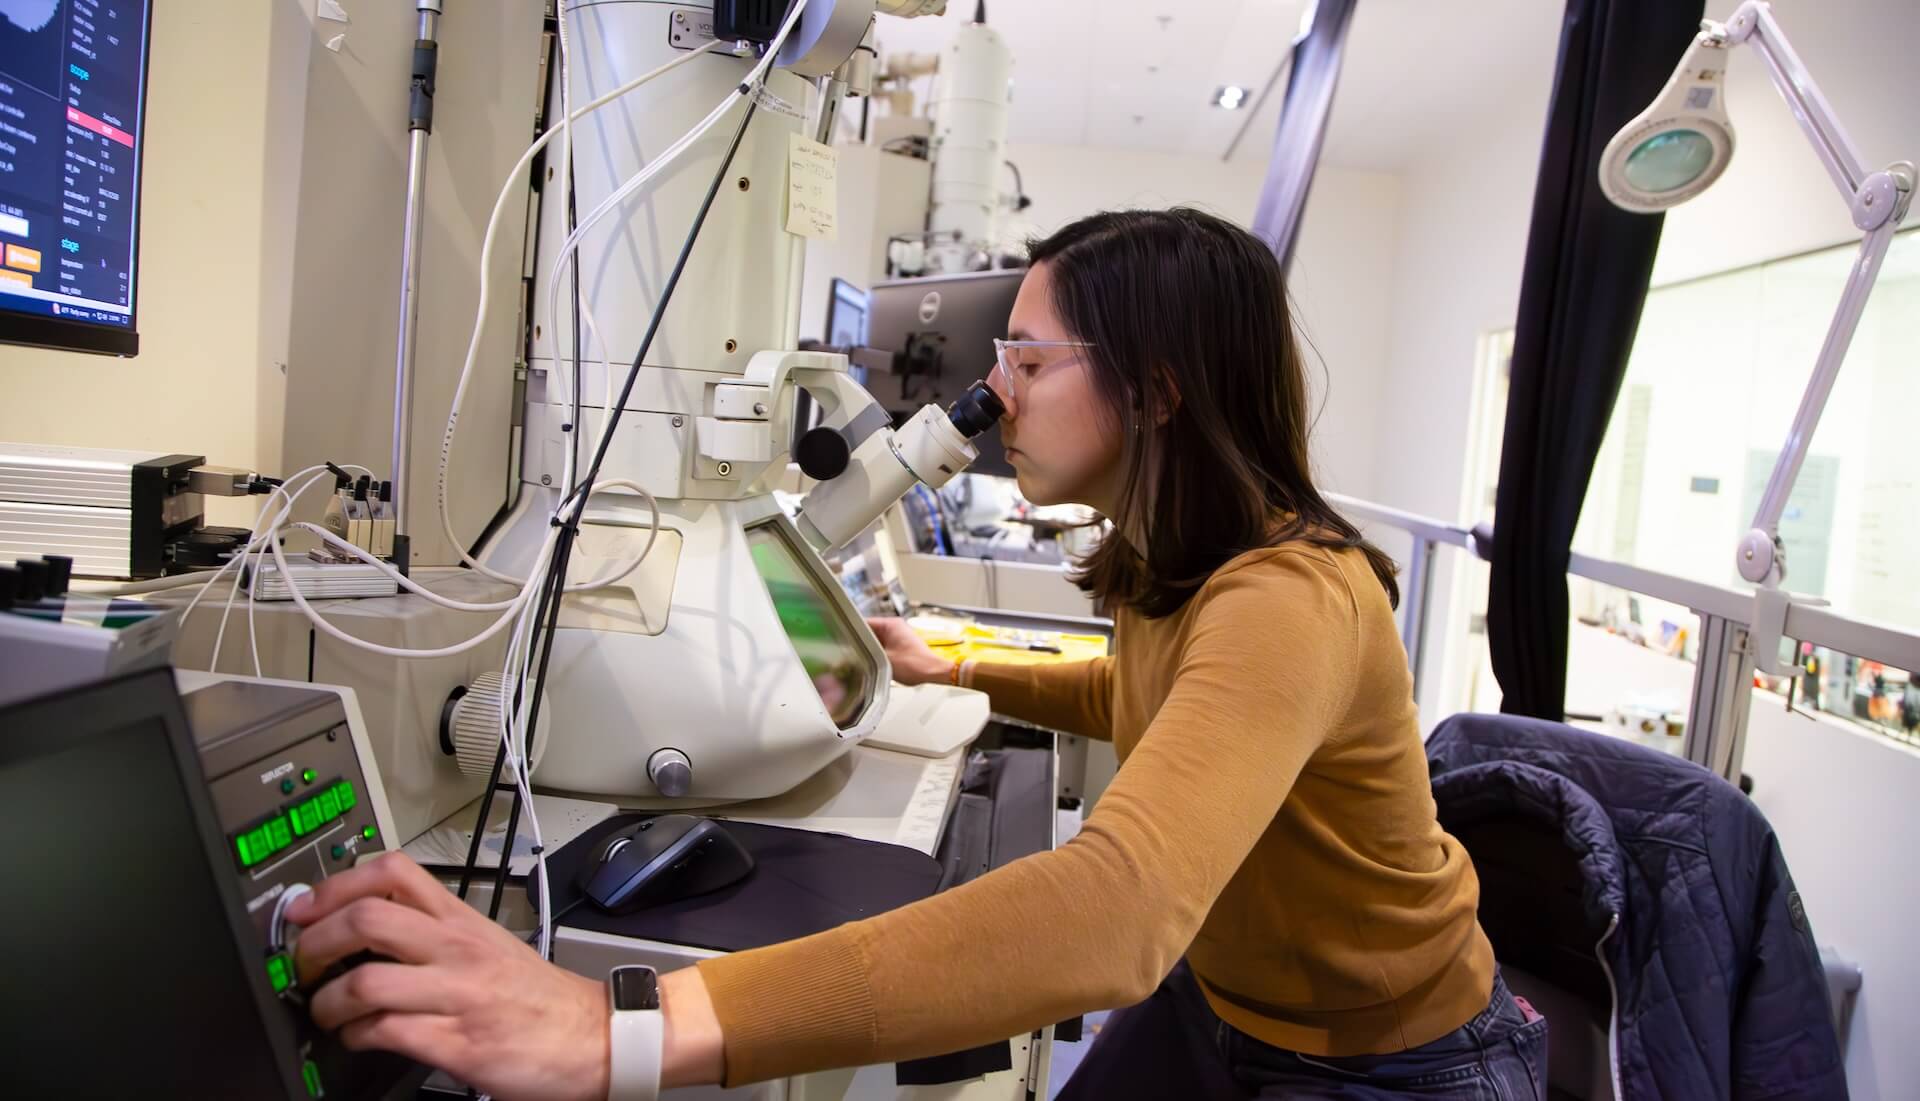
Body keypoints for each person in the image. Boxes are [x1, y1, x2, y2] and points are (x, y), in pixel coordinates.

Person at [285, 208, 1546, 1100]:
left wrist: (615, 1027)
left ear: (1157, 392)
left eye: (1029, 358)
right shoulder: (1180, 564)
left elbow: (1116, 915)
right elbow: (1139, 692)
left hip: (1393, 1059)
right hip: (1232, 1010)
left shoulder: (1288, 594)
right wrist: (967, 668)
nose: (997, 389)